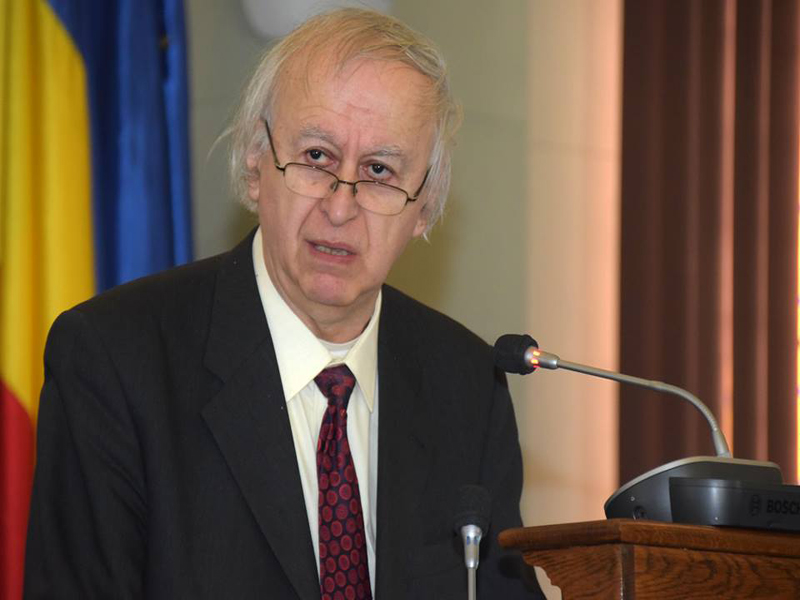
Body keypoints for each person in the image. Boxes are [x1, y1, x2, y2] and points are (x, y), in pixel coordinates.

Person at [25, 8, 538, 599]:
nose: (340, 207)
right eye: (317, 157)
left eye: (379, 171)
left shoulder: (467, 387)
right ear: (254, 166)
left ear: (423, 209)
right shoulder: (115, 362)